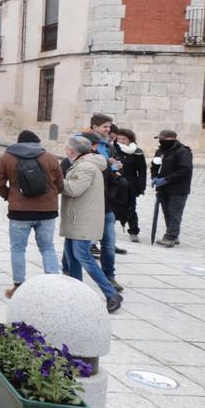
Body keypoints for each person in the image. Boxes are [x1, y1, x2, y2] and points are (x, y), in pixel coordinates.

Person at [0, 129, 64, 298]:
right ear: (37, 142)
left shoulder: (6, 158)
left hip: (19, 211)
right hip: (47, 211)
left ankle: (18, 285)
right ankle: (53, 284)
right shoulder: (50, 157)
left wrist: (9, 195)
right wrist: (50, 197)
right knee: (47, 247)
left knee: (17, 249)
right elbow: (60, 184)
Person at [60, 135, 123, 312]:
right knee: (72, 258)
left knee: (83, 257)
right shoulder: (83, 163)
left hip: (83, 219)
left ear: (72, 151)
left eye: (66, 148)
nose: (65, 151)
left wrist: (56, 181)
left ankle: (111, 293)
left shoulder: (86, 166)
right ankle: (77, 295)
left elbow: (74, 189)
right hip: (76, 217)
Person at [80, 113, 125, 288]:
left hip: (107, 201)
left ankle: (109, 276)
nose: (108, 129)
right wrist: (109, 165)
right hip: (88, 202)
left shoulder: (108, 145)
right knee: (76, 242)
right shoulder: (82, 142)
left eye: (109, 126)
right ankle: (70, 272)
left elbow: (110, 172)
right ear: (94, 127)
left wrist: (114, 169)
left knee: (108, 241)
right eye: (105, 126)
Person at [152, 129, 194, 247]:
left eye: (162, 139)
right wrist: (154, 177)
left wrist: (166, 179)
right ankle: (173, 234)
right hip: (163, 188)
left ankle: (170, 237)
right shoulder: (160, 151)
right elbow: (154, 165)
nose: (160, 142)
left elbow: (184, 170)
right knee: (167, 212)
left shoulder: (183, 152)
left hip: (178, 188)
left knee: (175, 212)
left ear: (172, 139)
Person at [113, 128, 147, 242]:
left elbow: (142, 170)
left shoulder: (137, 152)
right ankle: (108, 230)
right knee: (112, 207)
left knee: (131, 208)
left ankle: (133, 231)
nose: (121, 141)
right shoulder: (113, 150)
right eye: (119, 138)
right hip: (115, 183)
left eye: (124, 139)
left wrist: (141, 187)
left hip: (131, 185)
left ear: (130, 140)